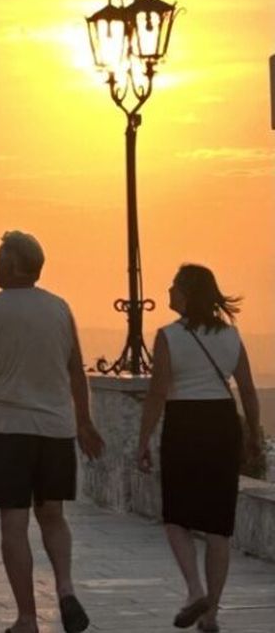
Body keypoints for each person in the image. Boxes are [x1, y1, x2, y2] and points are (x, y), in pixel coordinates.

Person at [0, 231, 104, 633]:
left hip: (10, 430)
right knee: (53, 516)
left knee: (14, 524)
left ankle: (27, 618)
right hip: (56, 430)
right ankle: (66, 589)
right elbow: (76, 370)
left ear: (15, 264)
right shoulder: (60, 308)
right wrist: (84, 421)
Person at [135, 264, 263, 633]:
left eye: (174, 286)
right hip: (222, 425)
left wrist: (144, 440)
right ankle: (211, 614)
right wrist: (253, 434)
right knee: (218, 526)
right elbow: (248, 390)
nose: (169, 291)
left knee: (176, 516)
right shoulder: (231, 336)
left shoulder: (168, 336)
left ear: (188, 293)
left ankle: (194, 590)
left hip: (185, 424)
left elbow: (157, 393)